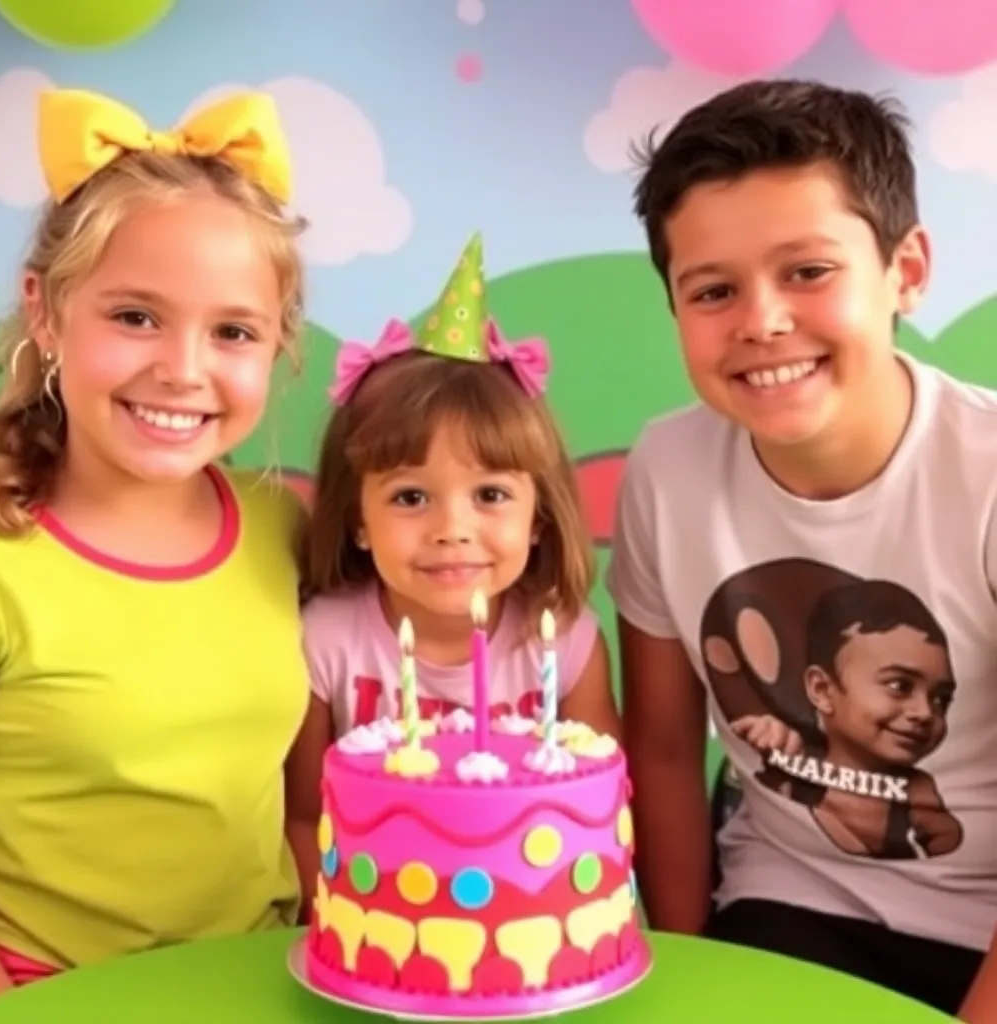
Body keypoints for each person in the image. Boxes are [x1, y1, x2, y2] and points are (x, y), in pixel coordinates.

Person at [606, 78, 997, 1020]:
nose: (762, 321)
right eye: (713, 291)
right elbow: (664, 748)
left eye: (808, 271)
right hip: (789, 899)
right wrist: (684, 972)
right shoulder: (668, 468)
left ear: (906, 269)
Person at [0, 87, 311, 1000]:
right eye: (135, 317)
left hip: (258, 981)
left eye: (232, 332)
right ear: (46, 312)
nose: (183, 370)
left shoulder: (284, 530)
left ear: (276, 346)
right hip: (49, 995)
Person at [285, 234, 621, 910]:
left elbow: (599, 806)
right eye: (410, 497)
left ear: (537, 517)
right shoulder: (324, 641)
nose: (452, 529)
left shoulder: (565, 640)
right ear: (357, 518)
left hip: (533, 923)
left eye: (490, 494)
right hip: (373, 925)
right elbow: (300, 817)